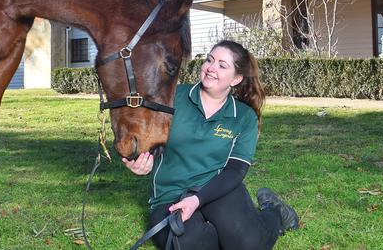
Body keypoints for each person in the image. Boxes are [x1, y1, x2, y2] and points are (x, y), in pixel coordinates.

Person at [123, 40, 299, 250]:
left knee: (248, 244)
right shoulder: (171, 97)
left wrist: (197, 200)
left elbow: (236, 169)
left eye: (222, 65)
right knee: (192, 245)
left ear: (236, 79)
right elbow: (143, 140)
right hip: (169, 195)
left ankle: (275, 212)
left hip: (216, 189)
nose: (211, 68)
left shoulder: (244, 116)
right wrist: (138, 160)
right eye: (209, 60)